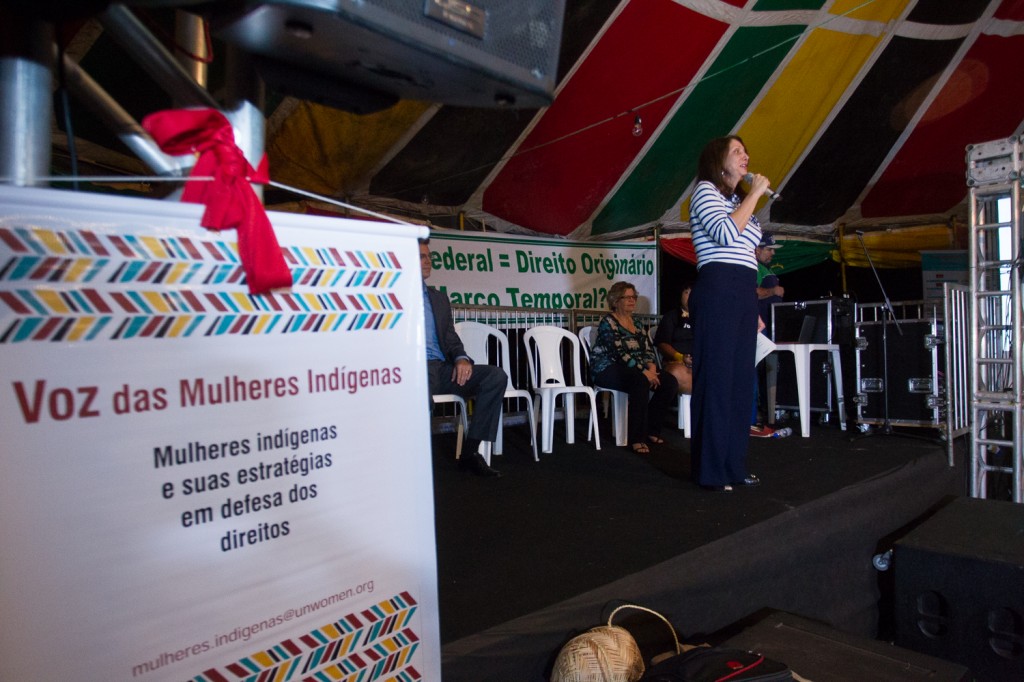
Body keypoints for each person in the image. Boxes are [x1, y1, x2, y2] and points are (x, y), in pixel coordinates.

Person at [688, 135, 771, 492]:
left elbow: (747, 252)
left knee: (740, 384)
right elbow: (724, 234)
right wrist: (754, 194)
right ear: (719, 161)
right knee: (717, 382)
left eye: (745, 151)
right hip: (717, 289)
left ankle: (734, 465)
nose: (745, 156)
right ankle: (710, 470)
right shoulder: (705, 192)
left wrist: (750, 304)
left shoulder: (738, 202)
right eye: (736, 152)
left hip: (741, 292)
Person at [420, 239, 507, 477]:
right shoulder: (394, 297)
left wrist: (460, 358)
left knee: (495, 376)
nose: (428, 261)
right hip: (414, 369)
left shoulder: (438, 298)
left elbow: (449, 337)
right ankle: (417, 464)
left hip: (442, 368)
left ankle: (470, 452)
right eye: (421, 257)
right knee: (418, 396)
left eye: (429, 256)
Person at [588, 281, 678, 455]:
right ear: (615, 301)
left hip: (635, 368)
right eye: (627, 297)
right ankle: (637, 438)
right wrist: (644, 372)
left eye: (633, 297)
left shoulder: (636, 324)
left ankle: (652, 429)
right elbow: (618, 353)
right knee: (640, 381)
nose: (632, 300)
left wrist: (651, 366)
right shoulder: (608, 322)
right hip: (607, 368)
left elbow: (647, 349)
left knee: (669, 382)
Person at [751, 232, 783, 437]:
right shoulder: (753, 267)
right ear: (757, 249)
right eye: (769, 249)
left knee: (766, 371)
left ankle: (766, 415)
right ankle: (752, 419)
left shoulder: (765, 268)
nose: (772, 253)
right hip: (757, 330)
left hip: (768, 329)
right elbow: (752, 291)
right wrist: (773, 292)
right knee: (752, 371)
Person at [654, 283, 694, 395]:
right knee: (678, 373)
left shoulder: (704, 318)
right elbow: (662, 343)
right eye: (687, 293)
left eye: (693, 293)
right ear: (680, 295)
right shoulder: (671, 316)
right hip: (677, 363)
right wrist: (680, 357)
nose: (690, 297)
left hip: (699, 365)